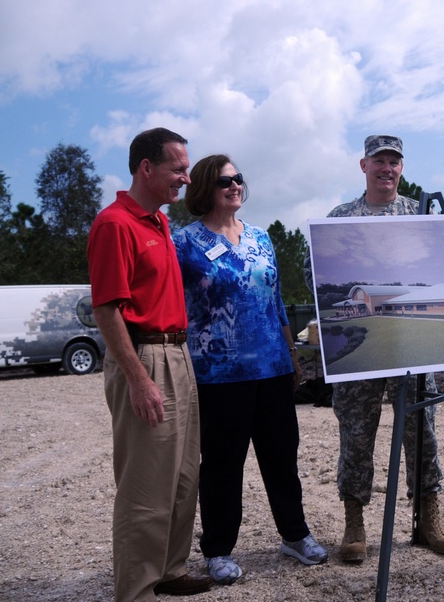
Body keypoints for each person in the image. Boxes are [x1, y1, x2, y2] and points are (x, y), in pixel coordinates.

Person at [172, 155, 328, 585]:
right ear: (204, 187)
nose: (235, 185)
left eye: (238, 179)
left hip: (273, 367)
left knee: (282, 457)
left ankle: (294, 535)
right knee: (223, 464)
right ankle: (218, 550)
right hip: (218, 374)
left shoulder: (260, 237)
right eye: (225, 181)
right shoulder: (184, 242)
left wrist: (291, 352)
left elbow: (276, 299)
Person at [318, 134, 444, 563]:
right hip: (362, 349)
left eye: (394, 162)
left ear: (402, 168)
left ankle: (427, 517)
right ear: (363, 166)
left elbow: (441, 262)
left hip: (412, 345)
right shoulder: (341, 218)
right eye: (379, 161)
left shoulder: (420, 212)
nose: (387, 169)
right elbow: (315, 270)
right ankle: (354, 522)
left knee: (422, 430)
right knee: (357, 433)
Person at [87, 128, 212, 600]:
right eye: (178, 168)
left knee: (182, 475)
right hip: (145, 356)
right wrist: (139, 380)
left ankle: (170, 571)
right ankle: (136, 590)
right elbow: (106, 310)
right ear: (146, 168)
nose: (185, 177)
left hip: (178, 353)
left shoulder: (158, 222)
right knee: (146, 484)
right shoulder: (115, 224)